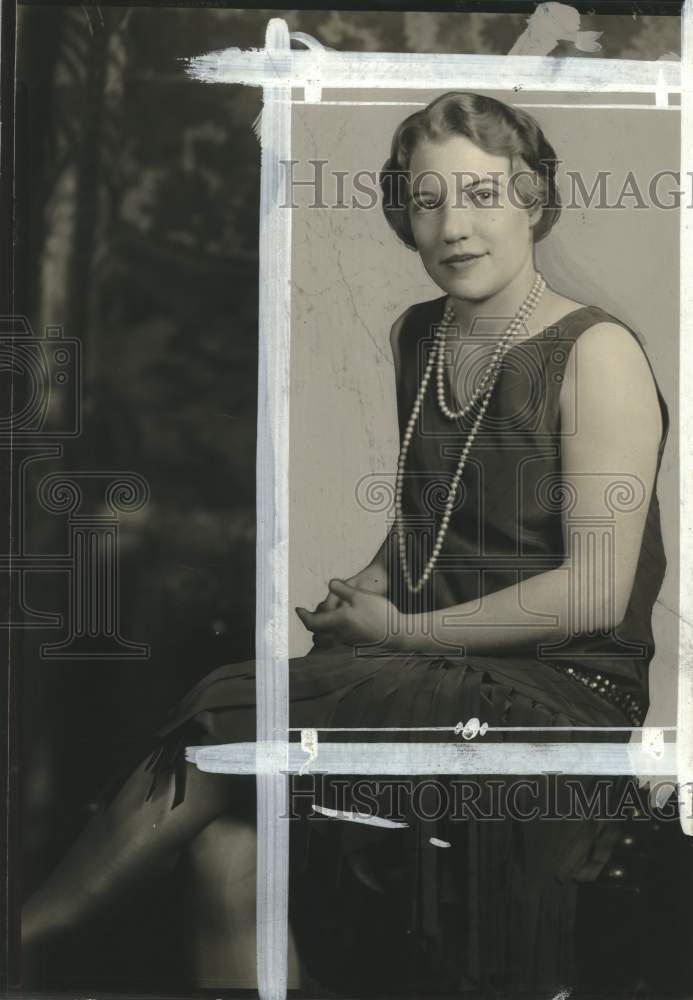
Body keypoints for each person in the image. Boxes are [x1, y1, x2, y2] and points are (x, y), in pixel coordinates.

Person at [22, 91, 669, 996]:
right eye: (426, 198)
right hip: (447, 669)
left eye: (482, 194)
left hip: (565, 690)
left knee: (235, 705)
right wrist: (367, 584)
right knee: (226, 852)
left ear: (533, 199)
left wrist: (399, 634)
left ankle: (29, 936)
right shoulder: (420, 335)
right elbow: (427, 526)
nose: (453, 226)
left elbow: (596, 593)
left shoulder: (596, 353)